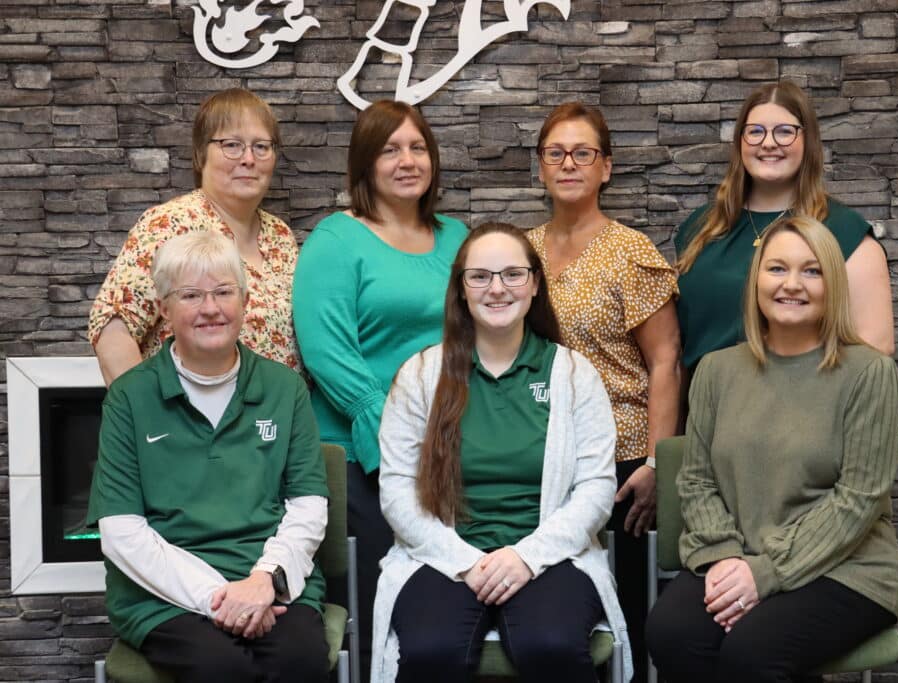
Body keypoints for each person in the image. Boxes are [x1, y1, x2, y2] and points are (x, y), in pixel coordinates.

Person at [646, 216, 898, 682]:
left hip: (847, 569)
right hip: (735, 555)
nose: (792, 284)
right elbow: (697, 479)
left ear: (833, 284)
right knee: (672, 634)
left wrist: (764, 574)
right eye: (777, 269)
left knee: (753, 652)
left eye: (812, 271)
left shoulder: (868, 374)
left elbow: (859, 500)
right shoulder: (716, 370)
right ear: (756, 280)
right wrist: (725, 557)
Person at [371, 222, 631, 683]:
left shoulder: (573, 375)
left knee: (548, 643)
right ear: (461, 289)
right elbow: (396, 490)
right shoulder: (420, 376)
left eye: (513, 274)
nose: (497, 289)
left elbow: (595, 488)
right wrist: (466, 561)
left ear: (534, 284)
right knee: (432, 650)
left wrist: (526, 557)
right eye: (481, 277)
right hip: (443, 556)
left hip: (551, 556)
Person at [87, 232, 330, 682]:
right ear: (163, 308)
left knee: (300, 661)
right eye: (191, 295)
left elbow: (308, 506)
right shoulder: (129, 398)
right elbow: (121, 533)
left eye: (223, 292)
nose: (211, 308)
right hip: (163, 594)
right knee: (221, 670)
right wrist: (220, 597)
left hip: (270, 581)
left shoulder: (285, 389)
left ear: (244, 299)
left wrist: (265, 581)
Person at [292, 100, 468, 681]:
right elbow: (326, 351)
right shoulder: (336, 240)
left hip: (451, 444)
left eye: (417, 147)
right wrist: (390, 438)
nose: (406, 160)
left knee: (451, 601)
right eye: (390, 149)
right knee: (381, 604)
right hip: (362, 453)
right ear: (365, 163)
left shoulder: (458, 238)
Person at [525, 102, 679, 680]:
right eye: (555, 153)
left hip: (622, 461)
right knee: (550, 605)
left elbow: (666, 360)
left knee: (626, 611)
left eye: (582, 152)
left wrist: (659, 462)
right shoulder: (521, 253)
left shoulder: (630, 252)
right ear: (540, 167)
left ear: (606, 168)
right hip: (539, 454)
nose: (569, 163)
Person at [675, 79, 894, 381]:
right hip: (707, 416)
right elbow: (677, 348)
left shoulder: (845, 232)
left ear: (809, 141)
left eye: (785, 131)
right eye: (755, 131)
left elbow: (874, 349)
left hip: (799, 415)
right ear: (740, 142)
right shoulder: (698, 229)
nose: (768, 143)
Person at [89, 88, 301, 385]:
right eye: (232, 145)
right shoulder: (169, 224)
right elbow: (114, 327)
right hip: (187, 424)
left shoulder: (281, 237)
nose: (249, 159)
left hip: (271, 422)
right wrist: (143, 417)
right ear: (201, 154)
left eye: (262, 146)